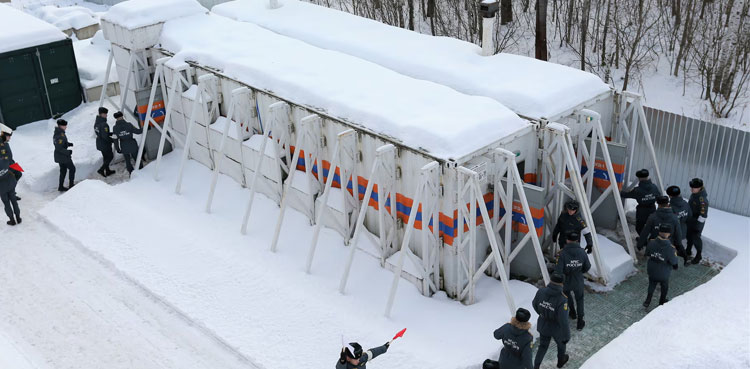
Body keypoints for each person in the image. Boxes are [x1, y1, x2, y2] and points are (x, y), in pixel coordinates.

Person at [555, 232, 591, 331]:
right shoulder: (582, 252)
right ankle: (580, 321)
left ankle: (572, 312)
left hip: (566, 280)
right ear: (577, 240)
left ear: (567, 240)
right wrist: (579, 271)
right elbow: (587, 267)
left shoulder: (562, 253)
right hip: (578, 279)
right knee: (580, 299)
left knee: (566, 295)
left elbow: (558, 271)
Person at [532, 273, 570, 369]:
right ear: (561, 284)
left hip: (543, 324)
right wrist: (566, 335)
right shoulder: (562, 299)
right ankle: (560, 362)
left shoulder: (541, 291)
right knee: (561, 344)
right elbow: (563, 320)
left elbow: (534, 304)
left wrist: (543, 314)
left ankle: (536, 366)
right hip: (556, 327)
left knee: (543, 346)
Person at [638, 196, 686, 263]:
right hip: (669, 245)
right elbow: (678, 233)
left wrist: (640, 244)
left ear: (658, 204)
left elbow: (645, 232)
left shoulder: (652, 217)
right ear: (668, 204)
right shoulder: (674, 218)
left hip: (654, 245)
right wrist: (678, 245)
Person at [643, 223, 679, 308]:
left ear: (659, 232)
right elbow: (674, 261)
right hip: (664, 272)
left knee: (651, 284)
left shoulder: (651, 242)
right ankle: (661, 302)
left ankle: (648, 300)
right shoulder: (670, 248)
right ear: (669, 234)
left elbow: (647, 253)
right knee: (664, 286)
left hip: (651, 269)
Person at [620, 169, 660, 235]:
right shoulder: (654, 187)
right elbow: (659, 197)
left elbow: (625, 195)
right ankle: (650, 240)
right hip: (652, 210)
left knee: (639, 228)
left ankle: (643, 241)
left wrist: (617, 191)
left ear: (639, 178)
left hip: (642, 211)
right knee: (651, 226)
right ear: (647, 177)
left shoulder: (637, 190)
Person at [0, 125, 21, 225]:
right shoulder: (2, 145)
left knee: (19, 173)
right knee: (10, 200)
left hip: (8, 169)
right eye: (8, 136)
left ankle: (12, 219)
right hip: (7, 171)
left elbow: (10, 157)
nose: (10, 138)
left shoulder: (5, 144)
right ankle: (17, 217)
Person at [686, 178, 709, 265]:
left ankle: (698, 255)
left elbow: (703, 215)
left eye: (694, 188)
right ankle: (688, 250)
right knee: (689, 235)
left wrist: (698, 227)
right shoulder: (694, 194)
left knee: (696, 237)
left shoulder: (702, 200)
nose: (692, 189)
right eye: (691, 187)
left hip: (697, 221)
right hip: (691, 219)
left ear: (700, 188)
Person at [53, 119, 75, 191]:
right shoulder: (59, 135)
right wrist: (68, 152)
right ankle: (71, 185)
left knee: (63, 171)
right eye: (64, 125)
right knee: (72, 168)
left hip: (60, 156)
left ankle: (61, 187)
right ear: (60, 126)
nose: (66, 127)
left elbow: (61, 144)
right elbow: (59, 148)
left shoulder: (59, 133)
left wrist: (68, 144)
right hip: (63, 156)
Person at [94, 107, 116, 177]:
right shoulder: (104, 124)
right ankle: (101, 169)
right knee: (110, 156)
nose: (106, 115)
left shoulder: (97, 122)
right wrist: (113, 140)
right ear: (101, 114)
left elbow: (101, 133)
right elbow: (105, 136)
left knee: (105, 157)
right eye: (105, 114)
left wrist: (110, 133)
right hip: (105, 144)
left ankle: (107, 171)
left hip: (99, 143)